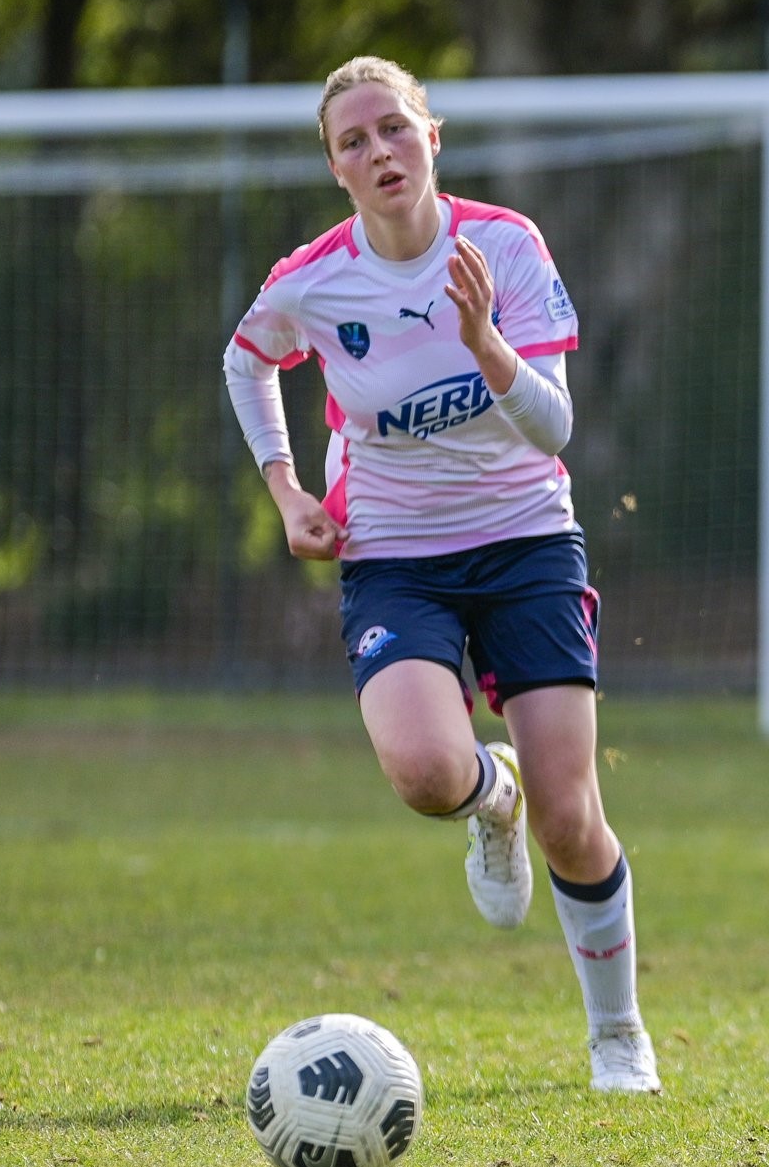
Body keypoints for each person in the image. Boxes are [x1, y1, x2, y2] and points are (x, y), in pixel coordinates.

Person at [222, 55, 659, 1094]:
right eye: (353, 141)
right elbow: (246, 360)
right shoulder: (314, 280)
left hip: (525, 545)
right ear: (334, 168)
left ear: (432, 136)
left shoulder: (502, 247)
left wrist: (483, 342)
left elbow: (553, 426)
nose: (379, 151)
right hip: (393, 558)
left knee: (573, 811)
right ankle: (485, 799)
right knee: (427, 774)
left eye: (394, 129)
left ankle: (616, 1035)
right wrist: (287, 493)